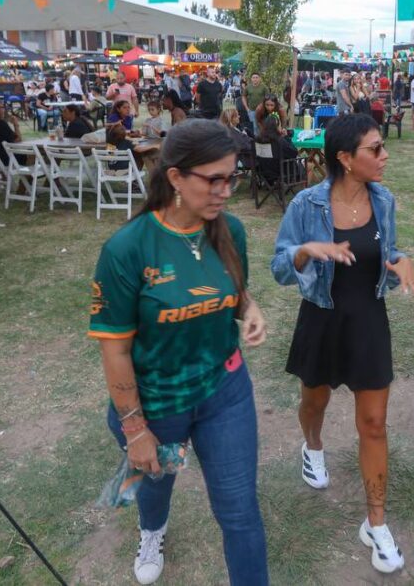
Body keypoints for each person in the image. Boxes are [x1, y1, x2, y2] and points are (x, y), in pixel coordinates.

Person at [89, 121, 269, 585]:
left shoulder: (230, 231)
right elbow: (115, 350)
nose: (225, 191)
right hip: (158, 402)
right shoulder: (127, 249)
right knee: (156, 479)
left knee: (240, 511)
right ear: (175, 178)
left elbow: (234, 291)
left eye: (232, 177)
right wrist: (135, 430)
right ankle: (152, 530)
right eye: (214, 179)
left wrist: (249, 308)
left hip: (224, 392)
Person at [271, 113, 414, 575]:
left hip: (368, 324)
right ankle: (312, 446)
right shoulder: (307, 204)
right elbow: (280, 267)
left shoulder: (384, 200)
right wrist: (306, 251)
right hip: (321, 321)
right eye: (375, 149)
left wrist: (402, 262)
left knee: (374, 424)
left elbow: (386, 252)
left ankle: (375, 523)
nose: (385, 155)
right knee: (313, 402)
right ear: (345, 158)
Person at [255, 115, 299, 183]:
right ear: (277, 127)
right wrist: (287, 138)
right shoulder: (279, 141)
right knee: (309, 166)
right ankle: (304, 189)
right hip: (282, 173)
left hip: (264, 173)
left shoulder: (257, 140)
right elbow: (294, 153)